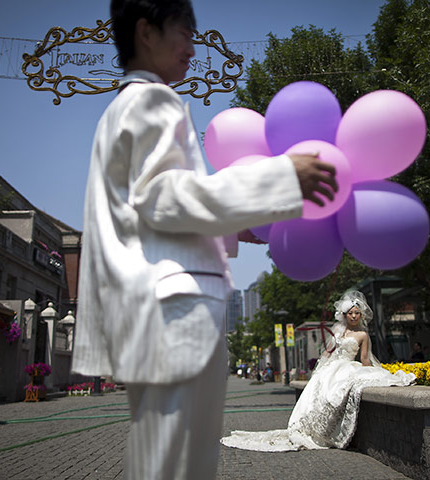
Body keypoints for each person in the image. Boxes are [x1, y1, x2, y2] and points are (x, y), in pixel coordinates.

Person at [71, 1, 339, 478]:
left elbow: (147, 215)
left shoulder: (121, 108)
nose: (193, 45)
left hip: (154, 311)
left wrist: (235, 226)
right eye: (185, 30)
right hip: (175, 314)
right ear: (146, 32)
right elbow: (163, 197)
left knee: (166, 464)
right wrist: (279, 180)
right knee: (174, 468)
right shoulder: (152, 101)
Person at [220, 290, 415, 452]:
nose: (354, 316)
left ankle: (329, 431)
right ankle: (312, 427)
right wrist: (321, 369)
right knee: (319, 392)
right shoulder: (337, 331)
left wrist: (373, 372)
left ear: (361, 316)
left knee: (339, 390)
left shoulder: (363, 335)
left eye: (357, 313)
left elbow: (364, 359)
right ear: (345, 315)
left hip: (348, 367)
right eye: (351, 313)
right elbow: (328, 353)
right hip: (331, 368)